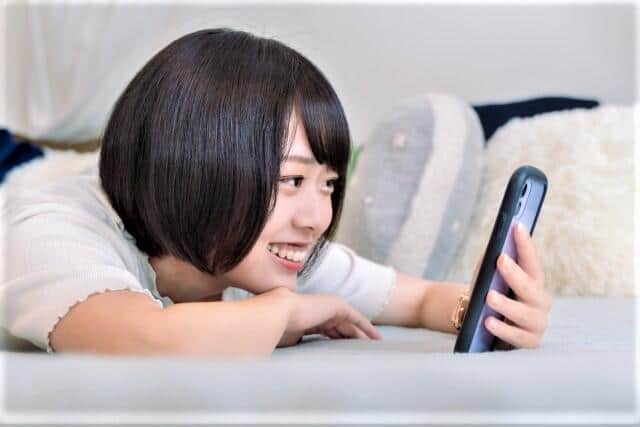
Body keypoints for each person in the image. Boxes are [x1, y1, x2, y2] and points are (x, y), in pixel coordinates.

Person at [1, 28, 552, 357]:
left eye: (328, 183)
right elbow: (146, 341)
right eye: (291, 180)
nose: (316, 217)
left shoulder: (259, 249)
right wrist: (286, 312)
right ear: (198, 164)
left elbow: (422, 299)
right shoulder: (50, 234)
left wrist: (492, 311)